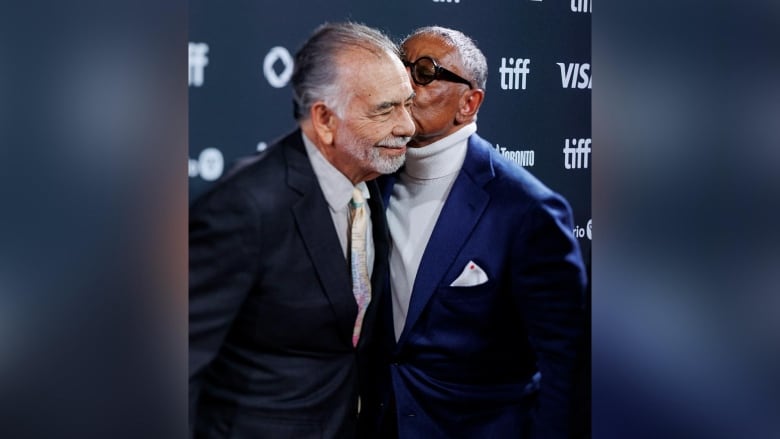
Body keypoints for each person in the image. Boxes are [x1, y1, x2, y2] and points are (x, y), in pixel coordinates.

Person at [189, 22, 415, 439]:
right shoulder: (246, 207)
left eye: (407, 104)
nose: (407, 126)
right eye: (385, 109)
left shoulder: (372, 180)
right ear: (325, 119)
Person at [362, 26, 587, 438]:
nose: (404, 83)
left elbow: (566, 366)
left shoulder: (527, 209)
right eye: (400, 66)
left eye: (425, 72)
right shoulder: (371, 183)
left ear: (469, 103)